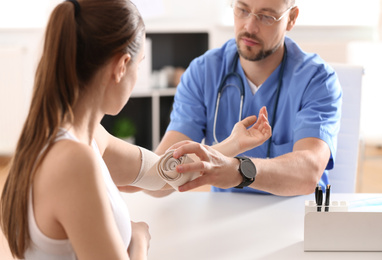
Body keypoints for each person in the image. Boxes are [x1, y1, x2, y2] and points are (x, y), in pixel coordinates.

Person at [0, 0, 272, 259]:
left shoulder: (85, 136)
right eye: (139, 64)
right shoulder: (75, 161)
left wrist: (232, 144)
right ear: (121, 67)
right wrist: (138, 239)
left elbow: (163, 173)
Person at [154, 0, 342, 196]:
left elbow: (308, 173)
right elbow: (159, 179)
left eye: (267, 16)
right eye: (242, 10)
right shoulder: (203, 73)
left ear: (291, 18)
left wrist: (239, 171)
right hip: (227, 213)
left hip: (298, 213)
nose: (250, 27)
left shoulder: (317, 79)